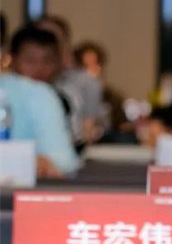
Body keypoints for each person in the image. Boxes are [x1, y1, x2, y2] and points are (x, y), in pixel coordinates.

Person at [1, 27, 80, 177]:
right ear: (12, 59)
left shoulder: (62, 95)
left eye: (47, 61)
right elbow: (64, 163)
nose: (40, 68)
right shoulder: (39, 94)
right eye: (30, 60)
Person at [35, 15, 105, 146]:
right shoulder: (17, 85)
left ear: (65, 46)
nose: (44, 47)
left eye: (52, 41)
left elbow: (88, 132)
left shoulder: (86, 84)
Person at [73, 41, 131, 141]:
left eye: (95, 64)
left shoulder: (113, 98)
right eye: (86, 67)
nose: (92, 70)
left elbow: (122, 125)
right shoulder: (71, 97)